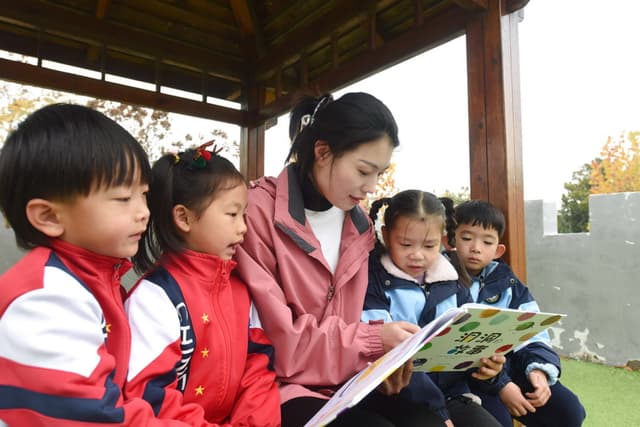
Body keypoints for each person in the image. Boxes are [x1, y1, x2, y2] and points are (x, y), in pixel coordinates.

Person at [235, 92, 444, 427]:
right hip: (279, 386)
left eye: (380, 172)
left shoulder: (359, 224)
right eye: (364, 170)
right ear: (322, 152)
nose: (373, 186)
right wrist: (373, 340)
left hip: (347, 382)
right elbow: (278, 344)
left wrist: (383, 357)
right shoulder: (258, 213)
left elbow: (354, 321)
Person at [0, 103, 192, 426]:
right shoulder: (45, 298)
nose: (144, 211)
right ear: (49, 216)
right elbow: (96, 417)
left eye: (143, 194)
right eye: (123, 199)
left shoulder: (93, 280)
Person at [126, 142, 280, 426]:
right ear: (184, 217)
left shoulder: (241, 289)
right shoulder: (155, 297)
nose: (243, 227)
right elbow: (149, 396)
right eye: (232, 214)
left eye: (244, 214)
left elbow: (258, 367)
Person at [364, 190, 505, 427]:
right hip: (397, 396)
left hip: (451, 393)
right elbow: (388, 357)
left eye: (430, 245)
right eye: (406, 244)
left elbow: (467, 340)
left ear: (443, 239)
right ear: (386, 236)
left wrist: (492, 370)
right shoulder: (373, 281)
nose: (417, 255)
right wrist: (438, 410)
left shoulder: (452, 279)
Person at [442, 199, 586, 427]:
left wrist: (538, 370)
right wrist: (501, 385)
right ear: (450, 240)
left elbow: (532, 330)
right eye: (467, 238)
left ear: (498, 250)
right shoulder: (441, 280)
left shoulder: (507, 282)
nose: (476, 248)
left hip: (509, 366)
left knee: (569, 411)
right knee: (498, 421)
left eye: (487, 241)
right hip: (467, 378)